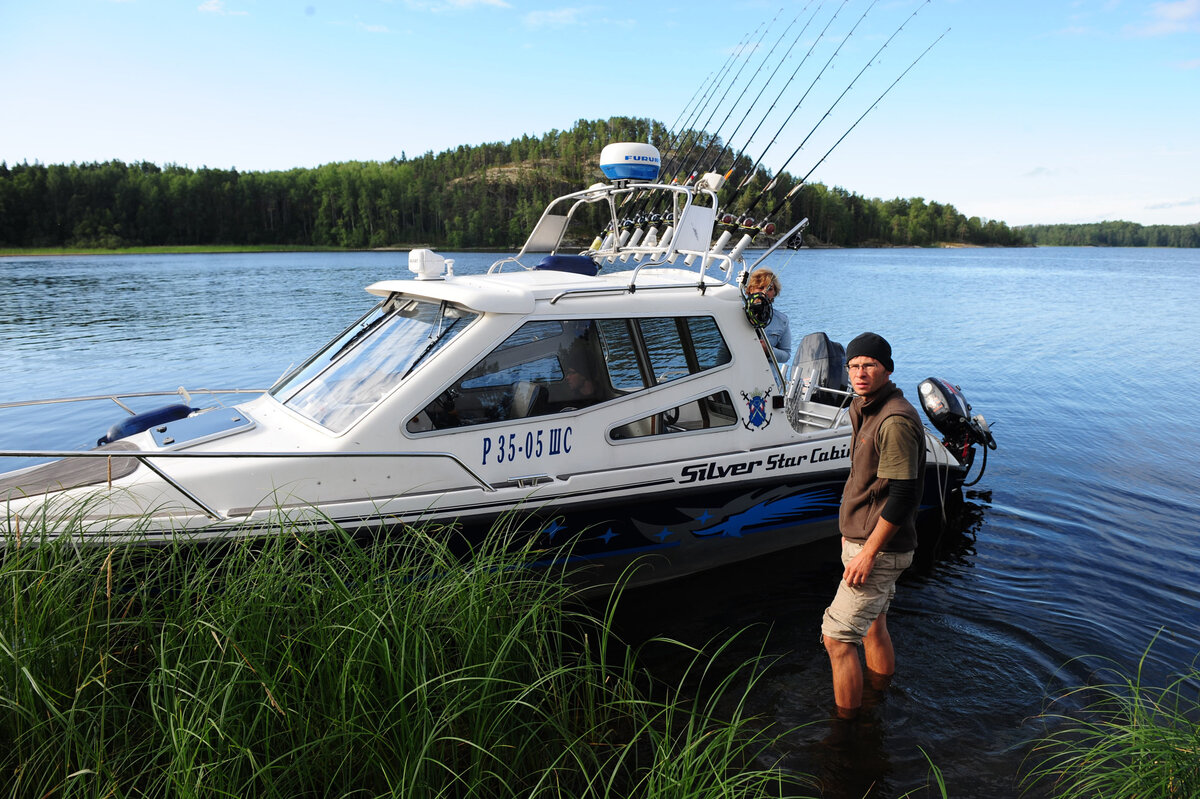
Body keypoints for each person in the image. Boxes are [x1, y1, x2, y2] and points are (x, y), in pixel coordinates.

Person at [821, 332, 926, 720]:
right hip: (869, 542)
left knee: (836, 638)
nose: (860, 373)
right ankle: (879, 694)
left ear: (887, 369)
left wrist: (868, 553)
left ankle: (846, 731)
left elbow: (902, 496)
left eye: (869, 365)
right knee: (872, 624)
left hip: (877, 548)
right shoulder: (865, 407)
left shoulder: (894, 419)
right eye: (853, 366)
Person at [746, 268, 791, 363]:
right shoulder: (735, 314)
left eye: (769, 289)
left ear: (774, 293)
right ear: (751, 289)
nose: (764, 292)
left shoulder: (782, 320)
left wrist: (768, 350)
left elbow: (786, 355)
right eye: (761, 287)